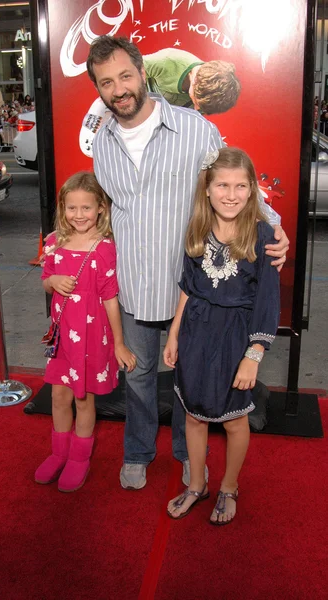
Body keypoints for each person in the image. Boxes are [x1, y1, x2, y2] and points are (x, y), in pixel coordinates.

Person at [86, 36, 288, 491]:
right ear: (98, 90)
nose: (118, 89)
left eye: (124, 75)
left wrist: (274, 226)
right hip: (135, 285)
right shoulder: (102, 145)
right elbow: (105, 214)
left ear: (142, 71)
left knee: (186, 379)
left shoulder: (195, 129)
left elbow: (234, 183)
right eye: (106, 82)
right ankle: (137, 451)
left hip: (190, 290)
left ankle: (185, 453)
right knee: (137, 376)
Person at [164, 147, 280, 524]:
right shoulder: (196, 229)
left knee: (233, 419)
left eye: (241, 185)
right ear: (208, 189)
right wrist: (174, 333)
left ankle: (229, 486)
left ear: (252, 190)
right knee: (194, 415)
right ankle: (197, 484)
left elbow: (267, 301)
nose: (231, 194)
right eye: (223, 185)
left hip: (236, 340)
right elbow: (188, 287)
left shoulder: (264, 237)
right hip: (196, 333)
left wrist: (254, 354)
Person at [36, 171, 136, 492]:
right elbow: (46, 279)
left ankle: (79, 458)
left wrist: (119, 343)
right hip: (62, 338)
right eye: (71, 208)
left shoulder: (105, 249)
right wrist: (52, 282)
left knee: (82, 398)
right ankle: (58, 452)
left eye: (86, 208)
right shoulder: (53, 242)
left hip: (91, 339)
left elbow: (110, 298)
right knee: (59, 396)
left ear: (100, 209)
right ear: (63, 208)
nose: (79, 215)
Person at [143, 48, 240, 113]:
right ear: (195, 81)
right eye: (197, 103)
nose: (197, 108)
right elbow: (129, 75)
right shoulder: (168, 60)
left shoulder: (209, 99)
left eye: (200, 108)